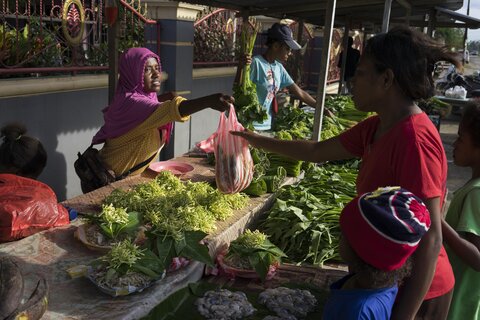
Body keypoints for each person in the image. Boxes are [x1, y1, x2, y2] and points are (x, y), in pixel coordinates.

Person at [232, 26, 460, 319]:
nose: (353, 80)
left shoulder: (414, 141)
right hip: (389, 281)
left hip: (420, 292)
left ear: (387, 79)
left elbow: (431, 238)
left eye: (361, 73)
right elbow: (315, 152)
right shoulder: (377, 126)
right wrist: (252, 138)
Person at [91, 47, 234, 178]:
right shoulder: (131, 102)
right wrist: (209, 101)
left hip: (127, 177)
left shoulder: (147, 99)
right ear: (133, 73)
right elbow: (172, 110)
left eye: (157, 68)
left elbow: (158, 108)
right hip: (108, 181)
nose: (156, 74)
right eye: (146, 70)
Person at [323, 186, 431, 319]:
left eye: (343, 234)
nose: (339, 238)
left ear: (361, 251)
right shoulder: (384, 282)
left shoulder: (356, 312)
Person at [234, 23, 317, 131]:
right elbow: (238, 89)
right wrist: (241, 67)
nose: (290, 53)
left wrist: (321, 109)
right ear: (276, 46)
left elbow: (299, 92)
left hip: (267, 125)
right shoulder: (256, 63)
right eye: (287, 49)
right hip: (249, 126)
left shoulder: (279, 68)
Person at [442, 102, 480, 320]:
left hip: (462, 304)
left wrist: (438, 222)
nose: (454, 144)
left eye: (461, 138)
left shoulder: (476, 193)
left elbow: (477, 258)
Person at [0, 123, 70, 241]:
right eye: (34, 176)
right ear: (20, 174)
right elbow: (56, 216)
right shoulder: (36, 198)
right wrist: (67, 213)